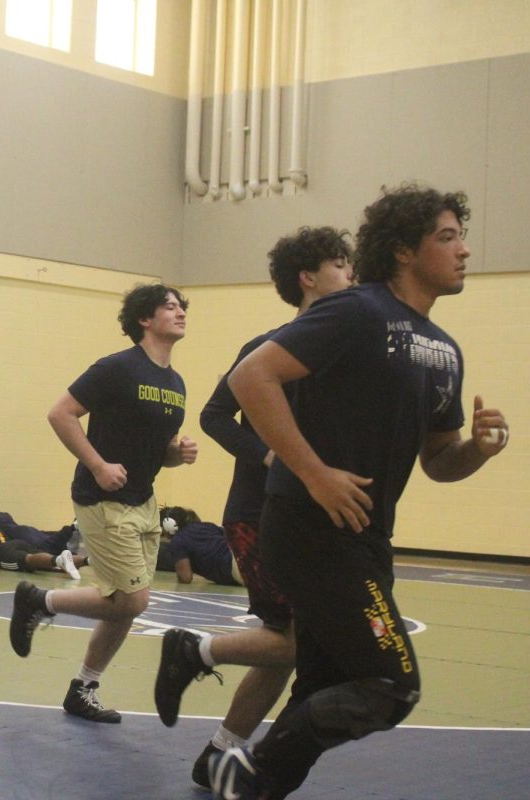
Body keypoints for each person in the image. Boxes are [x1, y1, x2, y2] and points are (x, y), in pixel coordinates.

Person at [208, 185, 509, 800]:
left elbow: (439, 462)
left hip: (365, 537)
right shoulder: (357, 311)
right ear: (403, 250)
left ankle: (247, 783)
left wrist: (478, 449)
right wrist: (315, 472)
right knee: (391, 684)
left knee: (324, 684)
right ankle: (250, 774)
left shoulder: (444, 352)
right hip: (308, 528)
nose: (465, 250)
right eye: (447, 237)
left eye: (461, 236)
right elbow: (249, 377)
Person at [154, 226, 357, 788]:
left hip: (310, 517)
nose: (352, 276)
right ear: (307, 277)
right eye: (341, 265)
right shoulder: (268, 347)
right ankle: (196, 649)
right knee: (295, 639)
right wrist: (269, 457)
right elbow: (216, 415)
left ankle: (219, 753)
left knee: (286, 647)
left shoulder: (343, 356)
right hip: (259, 512)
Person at [8, 283, 199, 724]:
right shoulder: (117, 367)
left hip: (144, 501)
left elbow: (155, 450)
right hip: (103, 499)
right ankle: (39, 600)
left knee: (121, 603)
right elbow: (61, 413)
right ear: (144, 320)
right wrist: (96, 464)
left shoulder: (175, 382)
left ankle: (84, 688)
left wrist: (177, 454)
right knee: (132, 601)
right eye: (168, 307)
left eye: (181, 306)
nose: (179, 312)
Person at [155, 506, 242, 586]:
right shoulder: (207, 525)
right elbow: (231, 537)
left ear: (168, 525)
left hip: (236, 567)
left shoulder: (178, 541)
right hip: (242, 553)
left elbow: (186, 578)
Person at [0, 500, 76, 556]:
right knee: (52, 540)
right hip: (39, 535)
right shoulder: (3, 515)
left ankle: (72, 528)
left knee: (52, 547)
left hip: (39, 547)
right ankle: (70, 532)